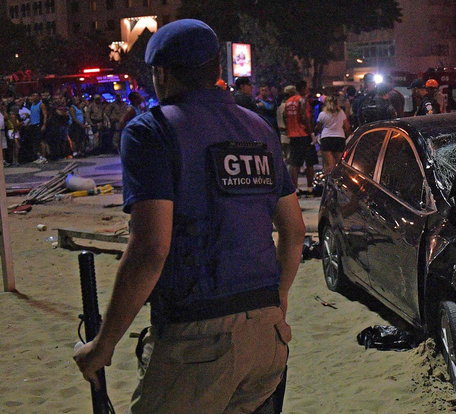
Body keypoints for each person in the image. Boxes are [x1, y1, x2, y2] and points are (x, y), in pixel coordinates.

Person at [73, 19, 303, 413]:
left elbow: (151, 249)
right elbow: (294, 231)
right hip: (269, 336)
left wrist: (103, 345)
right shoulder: (258, 129)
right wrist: (276, 301)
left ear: (160, 73)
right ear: (216, 68)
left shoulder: (153, 130)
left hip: (198, 336)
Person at [284, 80, 317, 192]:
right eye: (307, 88)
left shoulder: (288, 102)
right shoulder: (302, 101)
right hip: (303, 134)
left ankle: (295, 187)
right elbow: (305, 117)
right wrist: (311, 133)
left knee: (294, 163)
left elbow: (285, 117)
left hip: (292, 135)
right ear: (303, 88)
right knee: (309, 162)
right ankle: (309, 187)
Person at [315, 95, 351, 174]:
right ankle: (337, 181)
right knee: (338, 164)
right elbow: (347, 126)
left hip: (326, 138)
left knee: (329, 164)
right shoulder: (341, 113)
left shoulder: (322, 114)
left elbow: (318, 127)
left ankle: (328, 182)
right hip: (339, 138)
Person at [276, 84, 296, 162]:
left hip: (282, 133)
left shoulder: (280, 105)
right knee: (290, 159)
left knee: (285, 157)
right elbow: (287, 119)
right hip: (288, 133)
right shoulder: (288, 106)